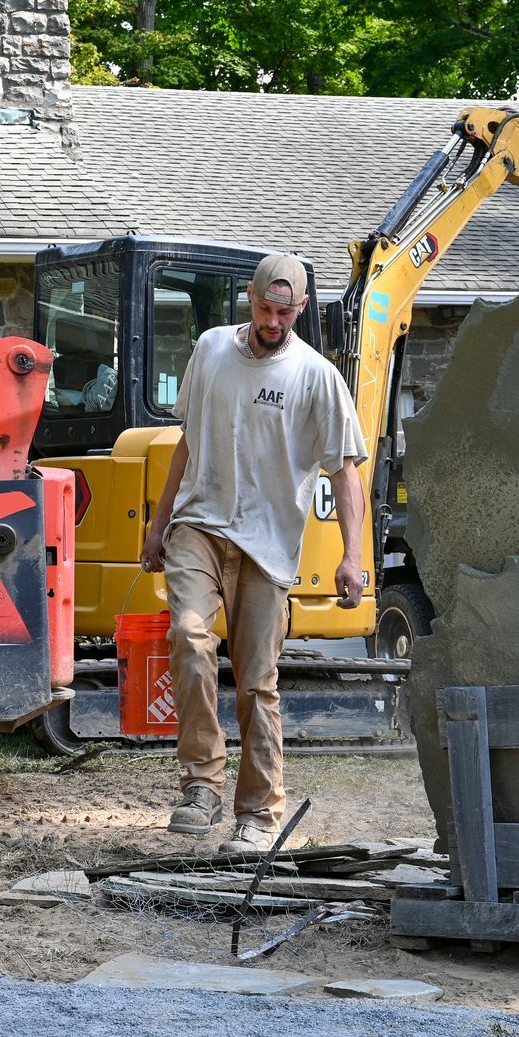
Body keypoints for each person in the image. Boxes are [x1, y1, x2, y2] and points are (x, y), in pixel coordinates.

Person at [138, 254, 367, 853]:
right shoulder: (211, 350)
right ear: (250, 298)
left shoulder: (317, 377)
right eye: (266, 307)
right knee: (188, 637)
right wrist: (158, 525)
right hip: (200, 525)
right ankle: (201, 785)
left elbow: (345, 472)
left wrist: (352, 556)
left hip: (267, 547)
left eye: (285, 311)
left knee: (256, 683)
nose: (274, 319)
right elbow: (187, 443)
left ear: (302, 308)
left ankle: (259, 812)